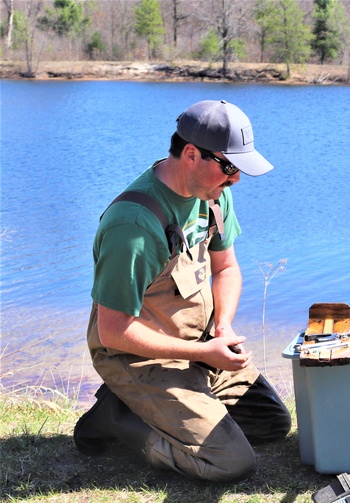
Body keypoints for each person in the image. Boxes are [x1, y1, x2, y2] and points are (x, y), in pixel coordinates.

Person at [74, 100, 292, 482]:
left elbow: (226, 268)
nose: (235, 179)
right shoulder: (135, 224)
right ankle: (117, 418)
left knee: (272, 425)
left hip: (198, 346)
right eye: (229, 167)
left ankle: (164, 402)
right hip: (136, 356)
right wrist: (204, 352)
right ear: (191, 154)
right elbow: (113, 332)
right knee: (231, 463)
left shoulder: (214, 195)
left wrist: (222, 328)